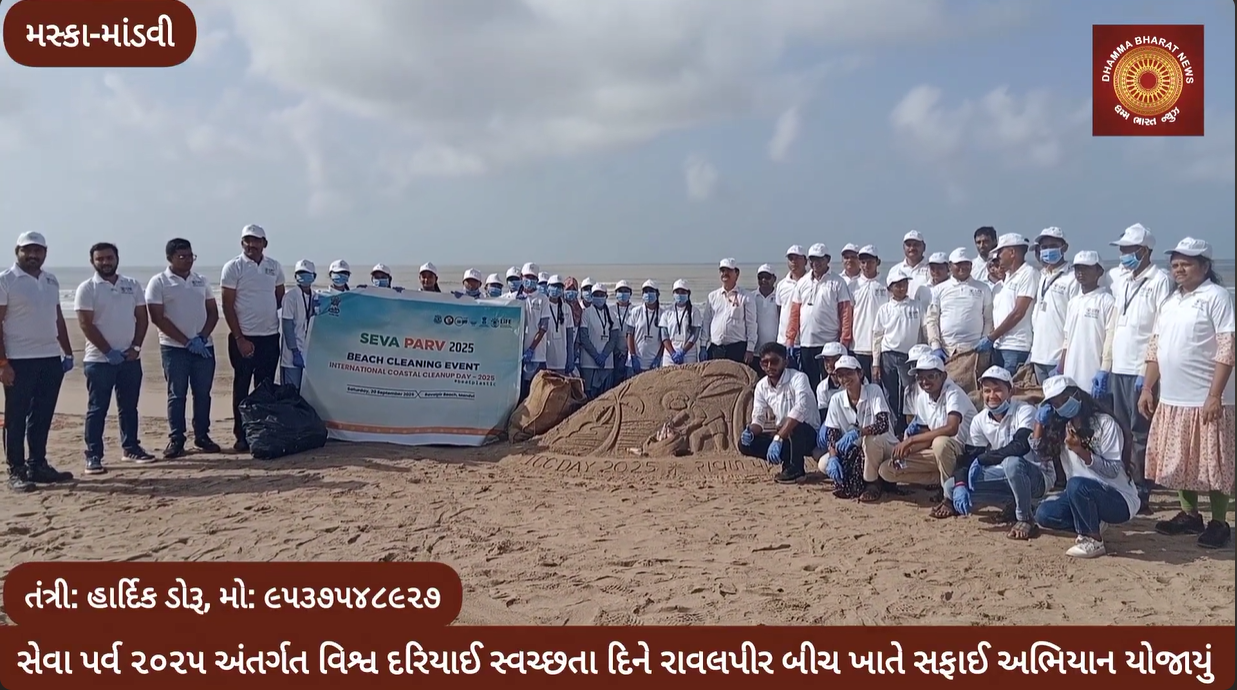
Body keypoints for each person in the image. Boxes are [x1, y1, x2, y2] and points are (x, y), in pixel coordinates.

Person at [1141, 238, 1234, 549]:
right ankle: (1189, 515)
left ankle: (1220, 522)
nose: (1179, 268)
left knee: (1212, 463)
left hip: (1204, 397)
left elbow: (1227, 347)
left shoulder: (1216, 296)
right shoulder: (1170, 301)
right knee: (1181, 459)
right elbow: (1155, 348)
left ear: (1204, 266)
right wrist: (1147, 387)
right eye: (1175, 263)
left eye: (1187, 263)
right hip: (1173, 397)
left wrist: (1215, 394)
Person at [1096, 223, 1174, 514]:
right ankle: (1124, 481)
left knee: (1142, 432)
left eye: (1129, 250)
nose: (1124, 255)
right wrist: (1106, 366)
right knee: (1119, 429)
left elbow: (1159, 327)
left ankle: (1143, 489)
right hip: (1119, 365)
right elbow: (1115, 324)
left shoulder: (1160, 280)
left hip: (1142, 368)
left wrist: (1148, 374)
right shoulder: (1123, 280)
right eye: (1122, 250)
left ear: (1144, 251)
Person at [0, 231, 75, 491]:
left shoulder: (51, 280)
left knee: (42, 415)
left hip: (50, 358)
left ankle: (37, 465)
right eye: (27, 250)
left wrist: (67, 351)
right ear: (17, 251)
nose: (33, 255)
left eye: (38, 251)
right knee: (16, 417)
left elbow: (57, 318)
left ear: (45, 252)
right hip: (19, 360)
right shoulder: (5, 280)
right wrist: (2, 364)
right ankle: (16, 471)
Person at [1034, 376, 1139, 558]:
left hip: (1117, 497)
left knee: (1076, 485)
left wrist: (1081, 451)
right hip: (1080, 495)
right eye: (1056, 404)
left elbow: (1113, 470)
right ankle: (1092, 521)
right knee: (1044, 514)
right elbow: (1039, 454)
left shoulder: (1104, 424)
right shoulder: (1061, 426)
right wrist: (1039, 425)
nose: (1061, 406)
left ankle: (1093, 540)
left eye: (1064, 400)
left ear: (1077, 395)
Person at [75, 242, 153, 474]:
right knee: (97, 408)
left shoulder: (131, 285)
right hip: (99, 361)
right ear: (93, 262)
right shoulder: (87, 288)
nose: (105, 262)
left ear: (117, 259)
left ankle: (130, 448)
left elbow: (142, 317)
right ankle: (94, 455)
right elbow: (85, 324)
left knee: (129, 407)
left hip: (129, 359)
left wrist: (136, 347)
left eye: (109, 258)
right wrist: (108, 351)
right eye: (100, 259)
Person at [950, 366, 1052, 539]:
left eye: (998, 390)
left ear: (1010, 391)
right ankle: (1013, 502)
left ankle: (1026, 518)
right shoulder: (979, 419)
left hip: (1036, 475)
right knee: (950, 487)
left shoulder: (1025, 410)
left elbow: (1021, 446)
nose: (992, 396)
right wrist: (961, 484)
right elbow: (969, 456)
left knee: (1012, 462)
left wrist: (983, 459)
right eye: (987, 391)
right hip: (1004, 475)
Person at [146, 239, 221, 459]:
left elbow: (213, 312)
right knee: (177, 395)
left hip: (203, 347)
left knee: (203, 393)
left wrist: (202, 337)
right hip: (174, 348)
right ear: (170, 258)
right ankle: (177, 438)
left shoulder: (201, 280)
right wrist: (186, 341)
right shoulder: (158, 282)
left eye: (191, 256)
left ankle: (202, 435)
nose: (188, 260)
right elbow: (157, 317)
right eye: (182, 256)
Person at [878, 354, 977, 519]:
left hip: (963, 452)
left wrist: (910, 440)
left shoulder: (954, 393)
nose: (925, 382)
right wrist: (910, 449)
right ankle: (943, 480)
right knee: (887, 470)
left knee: (940, 443)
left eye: (930, 376)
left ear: (943, 376)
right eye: (920, 378)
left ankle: (949, 497)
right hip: (940, 453)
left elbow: (952, 428)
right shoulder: (922, 397)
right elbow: (925, 433)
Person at [220, 224, 285, 452]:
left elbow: (280, 299)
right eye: (247, 240)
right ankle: (241, 434)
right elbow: (227, 305)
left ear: (264, 243)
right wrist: (239, 338)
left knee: (264, 387)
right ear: (242, 243)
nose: (251, 244)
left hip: (269, 337)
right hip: (244, 337)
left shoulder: (274, 266)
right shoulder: (233, 267)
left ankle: (262, 431)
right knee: (242, 386)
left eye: (256, 240)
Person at [817, 355, 897, 501]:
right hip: (858, 449)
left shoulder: (874, 390)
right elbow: (832, 433)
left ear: (859, 373)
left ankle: (872, 483)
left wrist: (859, 432)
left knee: (870, 440)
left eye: (849, 373)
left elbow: (882, 424)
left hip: (884, 446)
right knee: (824, 463)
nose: (845, 378)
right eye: (840, 375)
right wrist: (833, 457)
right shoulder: (837, 399)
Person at [741, 342, 820, 484]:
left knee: (794, 425)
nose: (770, 367)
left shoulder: (799, 378)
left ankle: (796, 469)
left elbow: (799, 410)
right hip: (783, 435)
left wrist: (777, 438)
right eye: (765, 362)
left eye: (774, 361)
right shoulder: (762, 386)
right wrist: (750, 431)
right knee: (745, 443)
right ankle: (786, 460)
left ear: (785, 362)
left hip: (806, 434)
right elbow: (758, 419)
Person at [785, 243, 853, 391]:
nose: (816, 263)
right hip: (806, 344)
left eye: (820, 259)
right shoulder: (802, 282)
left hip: (829, 344)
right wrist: (790, 339)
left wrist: (844, 341)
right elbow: (795, 313)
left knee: (832, 385)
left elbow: (845, 313)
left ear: (827, 259)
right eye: (813, 259)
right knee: (809, 385)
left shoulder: (838, 282)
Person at [871, 267, 925, 436]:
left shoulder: (916, 306)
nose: (901, 288)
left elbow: (924, 331)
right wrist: (875, 363)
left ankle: (909, 427)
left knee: (908, 392)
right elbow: (877, 336)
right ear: (889, 289)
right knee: (890, 393)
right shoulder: (885, 309)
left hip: (909, 356)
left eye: (904, 284)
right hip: (888, 354)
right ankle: (894, 429)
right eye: (897, 285)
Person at [925, 248, 993, 367]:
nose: (962, 267)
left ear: (971, 265)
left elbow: (988, 318)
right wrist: (936, 346)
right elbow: (932, 320)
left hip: (975, 350)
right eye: (958, 264)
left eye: (966, 263)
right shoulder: (938, 290)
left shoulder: (983, 288)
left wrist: (984, 340)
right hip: (948, 351)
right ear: (950, 266)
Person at [983, 233, 1038, 376]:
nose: (998, 257)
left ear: (1012, 253)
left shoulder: (1028, 273)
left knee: (1009, 391)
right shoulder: (1006, 278)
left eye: (1000, 252)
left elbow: (1018, 312)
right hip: (998, 346)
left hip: (1015, 347)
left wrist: (992, 337)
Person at [1028, 227, 1079, 383]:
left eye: (1052, 246)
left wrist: (1064, 360)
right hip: (1038, 356)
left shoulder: (1073, 278)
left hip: (1058, 358)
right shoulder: (1043, 276)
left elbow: (1073, 324)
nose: (1047, 250)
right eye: (1044, 247)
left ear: (1064, 247)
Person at [1059, 251, 1114, 387]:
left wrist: (1104, 369)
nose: (1081, 272)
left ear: (1099, 271)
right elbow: (1067, 339)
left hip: (1093, 374)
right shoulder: (1073, 302)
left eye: (1086, 268)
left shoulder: (1107, 301)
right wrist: (1061, 366)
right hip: (1071, 373)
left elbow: (1110, 339)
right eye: (1078, 268)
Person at [702, 258, 757, 365]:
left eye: (729, 270)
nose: (725, 273)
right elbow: (706, 321)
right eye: (722, 271)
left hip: (737, 349)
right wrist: (703, 345)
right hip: (716, 349)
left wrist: (750, 349)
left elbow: (751, 324)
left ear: (737, 273)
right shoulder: (712, 296)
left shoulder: (746, 296)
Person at [513, 263, 552, 400]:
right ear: (521, 277)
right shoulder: (513, 298)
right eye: (527, 276)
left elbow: (543, 327)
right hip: (515, 356)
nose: (529, 280)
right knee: (517, 393)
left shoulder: (542, 299)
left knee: (534, 393)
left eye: (532, 277)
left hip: (536, 355)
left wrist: (531, 349)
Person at [849, 245, 888, 376]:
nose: (866, 265)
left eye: (870, 262)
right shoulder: (852, 286)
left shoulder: (886, 283)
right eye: (863, 262)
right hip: (858, 346)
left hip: (882, 346)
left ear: (878, 262)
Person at [279, 260, 317, 391]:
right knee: (291, 392)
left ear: (314, 276)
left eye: (307, 273)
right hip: (291, 355)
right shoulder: (290, 297)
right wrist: (294, 351)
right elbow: (287, 325)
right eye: (300, 273)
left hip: (308, 353)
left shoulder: (315, 296)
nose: (303, 276)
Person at [578, 283, 620, 398]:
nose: (599, 297)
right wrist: (596, 356)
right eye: (596, 294)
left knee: (606, 396)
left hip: (607, 363)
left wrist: (604, 355)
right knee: (588, 396)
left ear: (606, 296)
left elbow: (614, 338)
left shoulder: (612, 314)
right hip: (588, 363)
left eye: (602, 294)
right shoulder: (586, 313)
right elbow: (584, 338)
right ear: (592, 296)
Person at [776, 245, 808, 370]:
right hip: (784, 341)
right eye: (791, 258)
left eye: (797, 258)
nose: (794, 262)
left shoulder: (810, 282)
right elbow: (779, 310)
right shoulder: (782, 285)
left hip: (804, 342)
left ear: (805, 261)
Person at [660, 280, 701, 367]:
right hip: (669, 356)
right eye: (677, 292)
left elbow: (695, 334)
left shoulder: (695, 311)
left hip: (689, 355)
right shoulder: (667, 312)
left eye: (683, 292)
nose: (679, 294)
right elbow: (664, 336)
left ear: (688, 293)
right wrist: (672, 353)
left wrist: (683, 351)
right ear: (673, 293)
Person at [627, 280, 663, 377]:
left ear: (657, 294)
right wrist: (633, 356)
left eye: (651, 291)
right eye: (645, 291)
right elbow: (630, 335)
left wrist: (658, 358)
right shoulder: (635, 311)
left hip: (653, 364)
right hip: (634, 363)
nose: (648, 294)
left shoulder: (663, 314)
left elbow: (664, 339)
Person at [543, 275, 578, 377]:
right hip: (546, 357)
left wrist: (570, 359)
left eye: (559, 287)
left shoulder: (566, 308)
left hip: (561, 359)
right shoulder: (543, 305)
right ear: (548, 287)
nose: (556, 289)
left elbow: (570, 336)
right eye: (554, 286)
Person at [752, 264, 780, 376]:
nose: (763, 280)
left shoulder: (779, 296)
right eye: (760, 277)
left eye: (767, 277)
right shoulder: (751, 297)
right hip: (755, 350)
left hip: (774, 349)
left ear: (774, 279)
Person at [889, 230, 933, 298]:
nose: (912, 248)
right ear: (903, 247)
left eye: (916, 245)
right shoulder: (894, 270)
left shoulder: (932, 270)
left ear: (924, 247)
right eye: (908, 245)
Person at [812, 341, 848, 413]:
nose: (830, 364)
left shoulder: (856, 381)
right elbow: (824, 415)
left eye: (835, 360)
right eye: (826, 360)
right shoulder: (821, 387)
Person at [611, 280, 634, 386]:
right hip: (613, 353)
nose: (623, 294)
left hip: (629, 353)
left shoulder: (635, 310)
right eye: (620, 291)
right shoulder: (609, 310)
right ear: (615, 293)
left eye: (626, 291)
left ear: (630, 293)